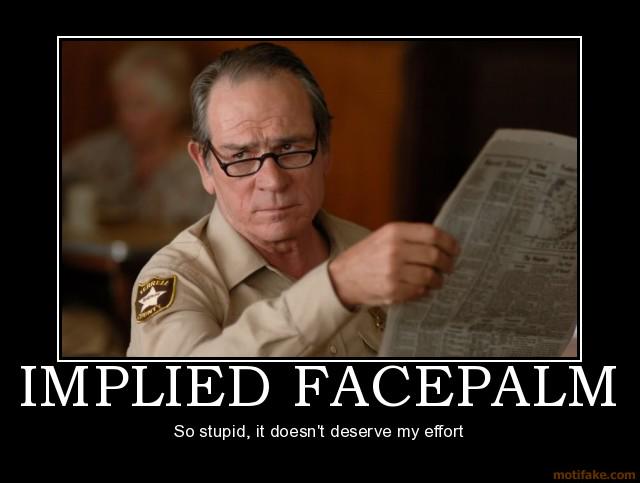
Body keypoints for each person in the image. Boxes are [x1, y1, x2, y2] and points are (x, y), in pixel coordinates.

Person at [127, 42, 460, 357]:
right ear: (205, 166)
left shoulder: (367, 249)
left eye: (289, 148)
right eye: (241, 156)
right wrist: (337, 288)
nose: (272, 181)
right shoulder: (180, 279)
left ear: (325, 149)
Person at [62, 43, 212, 226]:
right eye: (120, 104)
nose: (124, 116)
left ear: (172, 108)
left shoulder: (201, 165)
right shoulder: (104, 151)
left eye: (138, 105)